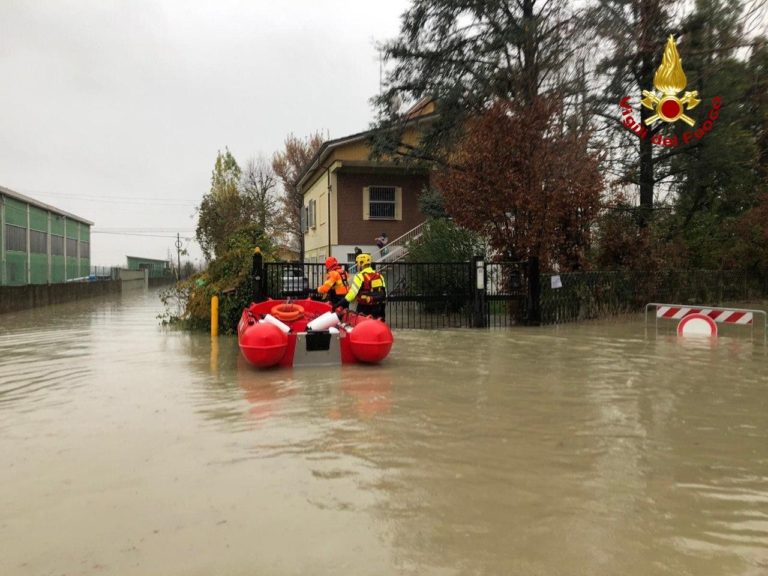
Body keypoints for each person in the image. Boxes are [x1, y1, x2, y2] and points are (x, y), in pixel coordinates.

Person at [345, 253, 387, 320]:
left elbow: (352, 294)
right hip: (379, 307)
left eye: (357, 264)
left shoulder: (359, 276)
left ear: (361, 264)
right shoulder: (379, 275)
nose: (357, 266)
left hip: (364, 308)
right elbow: (385, 293)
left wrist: (342, 302)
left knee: (362, 328)